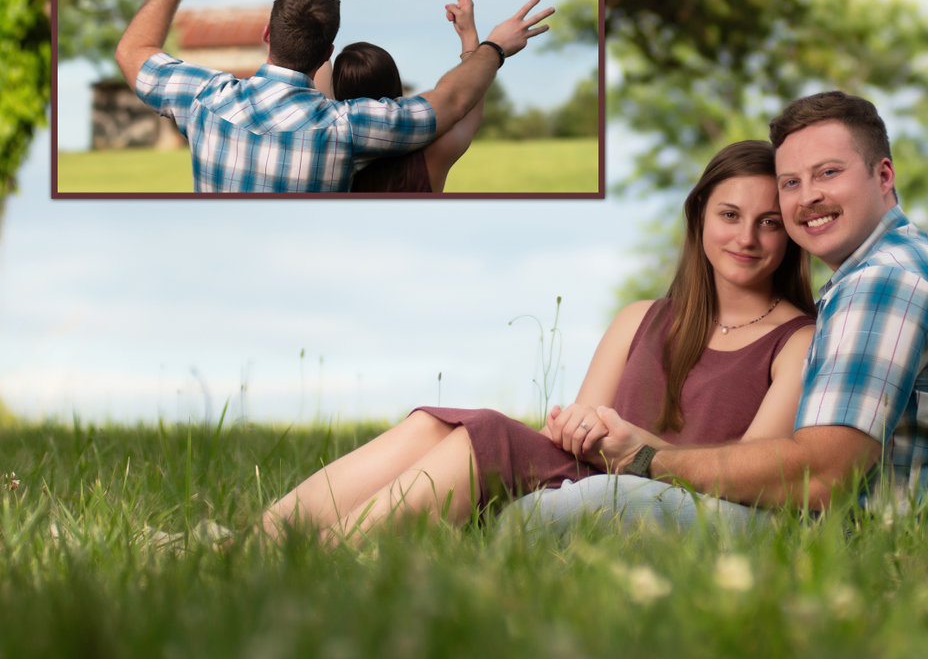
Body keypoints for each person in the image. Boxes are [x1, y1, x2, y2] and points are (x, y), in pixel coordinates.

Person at [260, 140, 817, 544]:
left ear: (790, 234)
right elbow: (574, 432)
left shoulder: (796, 340)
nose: (746, 237)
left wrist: (640, 447)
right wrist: (573, 426)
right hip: (588, 474)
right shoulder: (642, 318)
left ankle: (332, 554)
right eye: (729, 215)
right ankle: (260, 540)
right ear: (699, 218)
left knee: (486, 433)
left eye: (769, 223)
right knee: (439, 423)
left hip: (680, 495)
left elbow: (755, 472)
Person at [516, 90, 928, 526]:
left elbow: (820, 477)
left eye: (829, 173)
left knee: (583, 506)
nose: (808, 198)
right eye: (791, 182)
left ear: (883, 175)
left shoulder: (886, 283)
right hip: (893, 537)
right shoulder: (892, 269)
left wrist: (646, 457)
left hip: (898, 552)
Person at [114, 0, 552, 192]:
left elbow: (133, 50)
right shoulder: (347, 130)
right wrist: (491, 44)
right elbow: (455, 102)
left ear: (267, 32)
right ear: (327, 50)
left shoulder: (205, 99)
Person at [302, 0, 484, 192]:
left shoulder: (325, 146)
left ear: (337, 91)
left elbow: (317, 58)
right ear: (396, 88)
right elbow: (470, 105)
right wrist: (469, 35)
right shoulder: (431, 157)